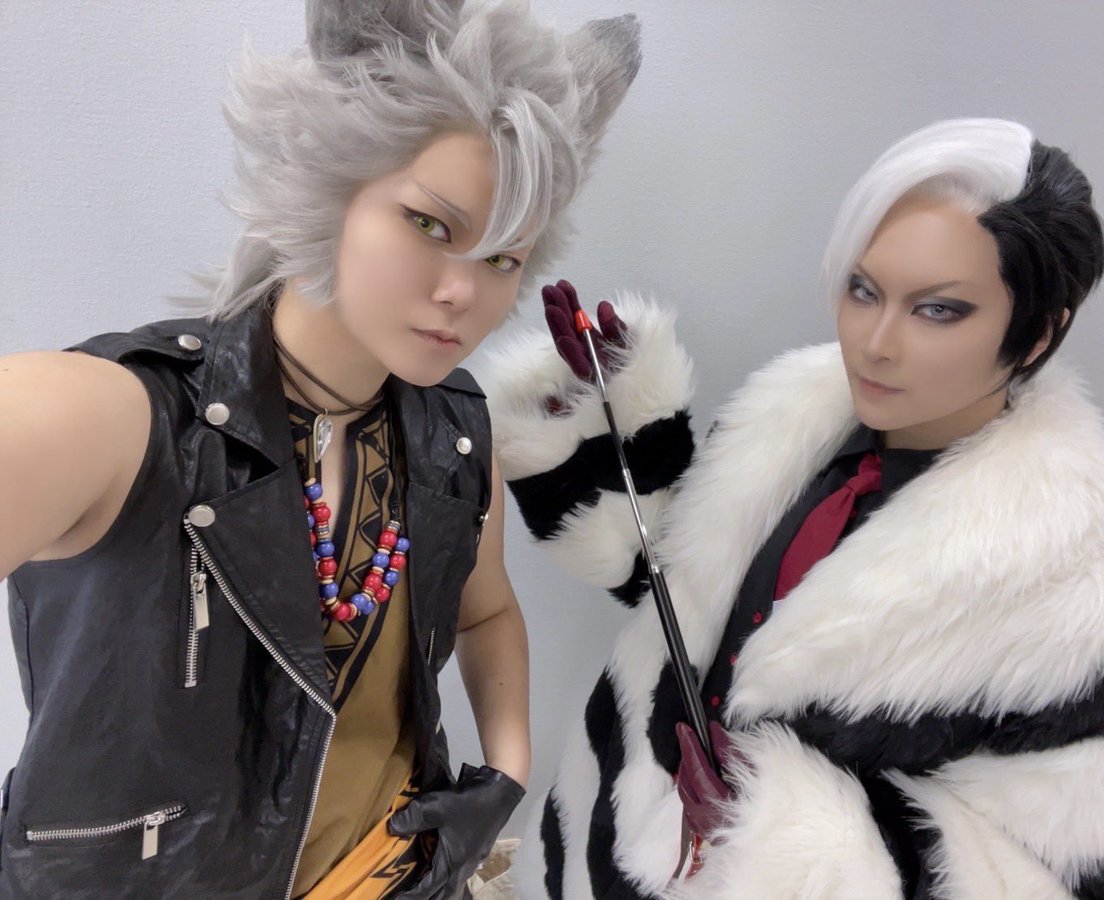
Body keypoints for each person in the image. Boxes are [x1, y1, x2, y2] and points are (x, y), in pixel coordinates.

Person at [0, 1, 639, 896]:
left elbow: (486, 612)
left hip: (390, 870)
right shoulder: (117, 414)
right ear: (328, 185)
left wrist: (505, 776)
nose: (463, 291)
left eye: (504, 258)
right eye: (430, 224)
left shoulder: (454, 429)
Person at [482, 118, 1104, 898]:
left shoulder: (1101, 631)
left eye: (939, 310)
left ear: (1035, 335)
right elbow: (671, 596)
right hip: (602, 843)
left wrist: (783, 844)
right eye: (864, 290)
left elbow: (1061, 877)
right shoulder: (784, 431)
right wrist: (604, 425)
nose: (875, 342)